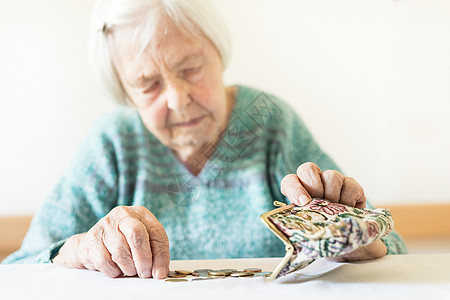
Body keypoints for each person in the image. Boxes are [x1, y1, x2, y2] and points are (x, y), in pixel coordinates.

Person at [2, 0, 407, 279]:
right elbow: (18, 269)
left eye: (191, 68)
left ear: (218, 53)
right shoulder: (112, 144)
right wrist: (77, 251)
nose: (178, 99)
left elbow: (395, 251)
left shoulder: (270, 122)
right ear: (126, 94)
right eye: (147, 84)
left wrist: (357, 239)